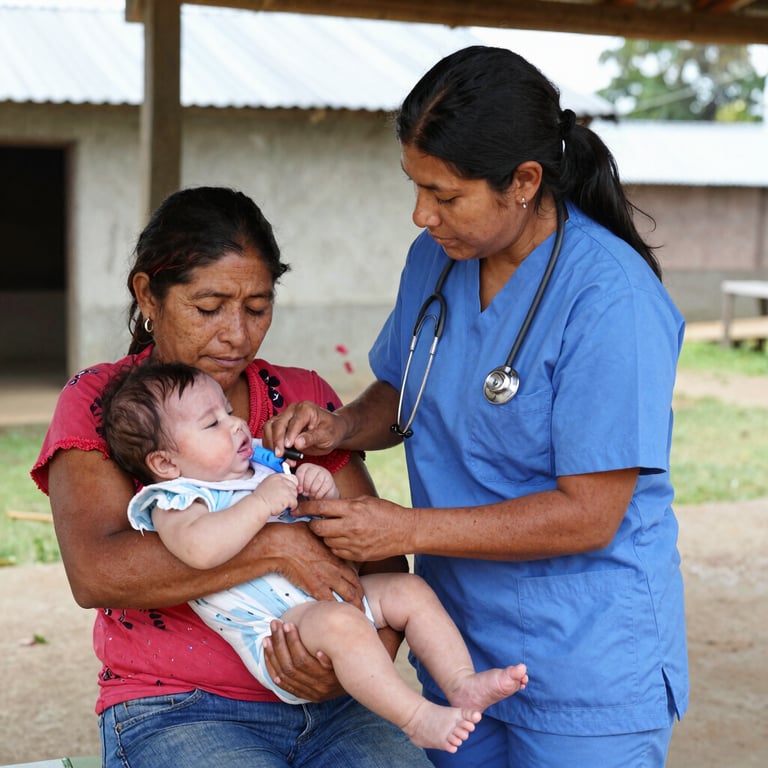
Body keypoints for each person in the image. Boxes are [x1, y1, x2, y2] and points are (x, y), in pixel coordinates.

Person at [264, 46, 689, 768]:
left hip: (586, 655)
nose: (421, 213)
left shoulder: (610, 299)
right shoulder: (437, 259)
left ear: (524, 181)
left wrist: (402, 527)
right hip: (460, 646)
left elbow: (590, 512)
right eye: (415, 185)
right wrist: (342, 425)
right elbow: (406, 391)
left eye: (446, 194)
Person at [30, 186, 440, 768]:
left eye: (257, 308)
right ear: (147, 294)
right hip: (176, 707)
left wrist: (358, 662)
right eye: (208, 307)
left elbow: (378, 562)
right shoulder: (103, 403)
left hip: (335, 707)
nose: (236, 335)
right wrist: (276, 546)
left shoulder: (301, 401)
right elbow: (97, 573)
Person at [100, 361, 529, 753]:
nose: (234, 426)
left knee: (409, 590)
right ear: (164, 462)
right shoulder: (178, 498)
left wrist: (317, 483)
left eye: (228, 413)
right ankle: (414, 718)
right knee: (342, 624)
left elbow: (310, 514)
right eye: (212, 423)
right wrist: (261, 504)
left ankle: (461, 682)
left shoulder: (260, 468)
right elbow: (199, 549)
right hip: (278, 631)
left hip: (326, 600)